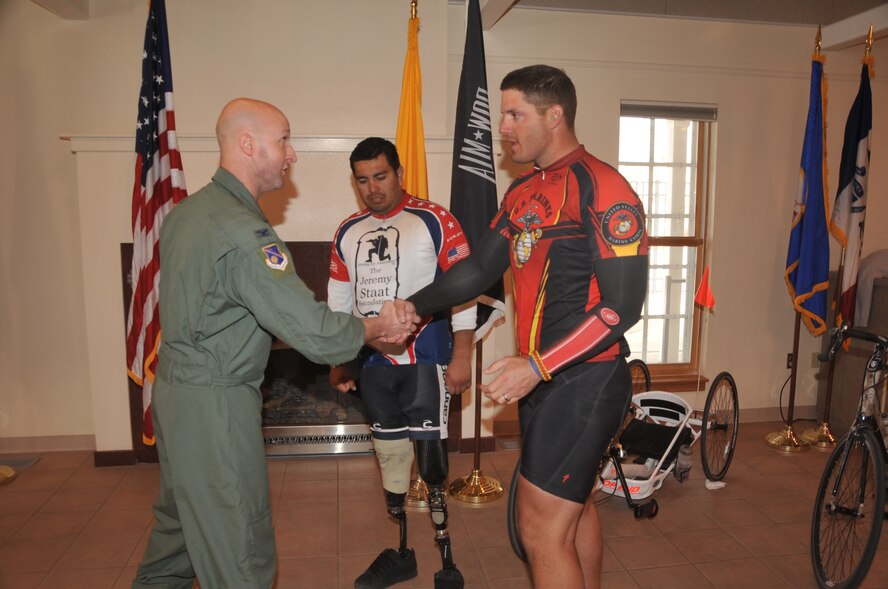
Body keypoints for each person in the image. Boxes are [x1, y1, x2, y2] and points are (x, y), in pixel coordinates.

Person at [132, 99, 418, 589]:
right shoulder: (246, 234)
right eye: (284, 139)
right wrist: (374, 329)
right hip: (215, 405)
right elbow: (316, 333)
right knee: (241, 550)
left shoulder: (187, 213)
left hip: (177, 395)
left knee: (178, 539)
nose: (293, 154)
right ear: (249, 144)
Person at [407, 65, 649, 589]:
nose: (504, 127)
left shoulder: (605, 187)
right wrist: (412, 307)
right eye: (503, 114)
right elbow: (477, 270)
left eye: (516, 113)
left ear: (554, 114)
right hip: (543, 381)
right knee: (575, 507)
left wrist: (537, 365)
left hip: (588, 379)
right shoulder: (523, 191)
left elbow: (621, 307)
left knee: (539, 527)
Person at [327, 137, 476, 589]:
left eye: (381, 175)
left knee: (431, 463)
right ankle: (403, 552)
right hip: (375, 366)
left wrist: (464, 353)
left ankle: (447, 561)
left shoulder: (434, 219)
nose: (373, 188)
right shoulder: (347, 230)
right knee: (391, 460)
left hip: (426, 359)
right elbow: (339, 302)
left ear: (400, 172)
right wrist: (340, 361)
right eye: (363, 180)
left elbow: (464, 285)